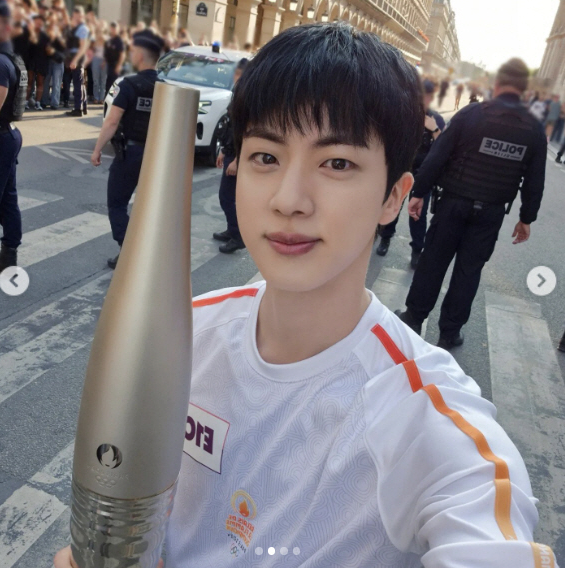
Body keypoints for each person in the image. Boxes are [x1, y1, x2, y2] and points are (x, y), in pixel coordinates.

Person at [56, 24, 558, 568]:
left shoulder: (424, 416)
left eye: (336, 163)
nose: (289, 199)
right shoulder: (179, 338)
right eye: (266, 157)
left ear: (394, 196)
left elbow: (489, 534)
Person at [396, 58, 547, 349]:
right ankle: (449, 332)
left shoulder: (472, 114)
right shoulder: (533, 130)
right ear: (524, 90)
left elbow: (438, 156)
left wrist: (418, 192)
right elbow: (534, 180)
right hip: (490, 213)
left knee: (433, 261)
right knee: (469, 271)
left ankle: (414, 317)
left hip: (453, 204)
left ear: (498, 84)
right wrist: (526, 218)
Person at [90, 29, 163, 270]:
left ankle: (128, 249)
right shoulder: (166, 87)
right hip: (156, 155)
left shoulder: (129, 85)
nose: (130, 55)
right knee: (148, 206)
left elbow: (111, 121)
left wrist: (97, 149)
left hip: (130, 154)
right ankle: (148, 251)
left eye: (132, 51)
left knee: (118, 203)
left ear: (140, 55)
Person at [376, 78, 445, 268]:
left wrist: (435, 130)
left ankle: (417, 249)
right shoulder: (404, 115)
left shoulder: (436, 119)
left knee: (418, 216)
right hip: (401, 170)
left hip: (423, 175)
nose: (425, 100)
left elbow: (444, 149)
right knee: (392, 206)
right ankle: (385, 238)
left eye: (429, 96)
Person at [0, 0, 27, 273]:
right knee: (6, 197)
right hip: (8, 136)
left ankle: (6, 254)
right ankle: (8, 255)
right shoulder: (10, 58)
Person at [213, 57, 248, 254]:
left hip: (237, 155)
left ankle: (237, 236)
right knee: (226, 197)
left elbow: (245, 132)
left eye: (236, 73)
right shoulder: (238, 92)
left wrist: (237, 160)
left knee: (227, 197)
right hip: (231, 151)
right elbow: (230, 126)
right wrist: (223, 150)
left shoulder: (245, 95)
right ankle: (231, 230)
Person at [64, 6, 89, 117]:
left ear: (81, 16)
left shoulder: (82, 28)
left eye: (78, 16)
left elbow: (82, 47)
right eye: (74, 16)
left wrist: (75, 60)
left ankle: (78, 109)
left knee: (78, 84)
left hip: (77, 58)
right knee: (80, 83)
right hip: (75, 57)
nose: (76, 18)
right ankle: (83, 107)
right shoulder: (77, 27)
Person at [40, 20, 65, 109]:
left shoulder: (60, 38)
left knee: (56, 83)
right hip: (48, 61)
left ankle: (54, 103)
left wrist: (57, 38)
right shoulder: (46, 38)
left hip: (58, 62)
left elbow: (64, 48)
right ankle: (44, 101)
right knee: (46, 82)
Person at [103, 21, 124, 95]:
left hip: (115, 64)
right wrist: (104, 62)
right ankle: (107, 99)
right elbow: (106, 52)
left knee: (114, 84)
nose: (113, 30)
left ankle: (113, 99)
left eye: (115, 28)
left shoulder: (119, 40)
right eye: (112, 28)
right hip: (109, 65)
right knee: (108, 83)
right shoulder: (109, 40)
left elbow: (122, 54)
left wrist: (119, 65)